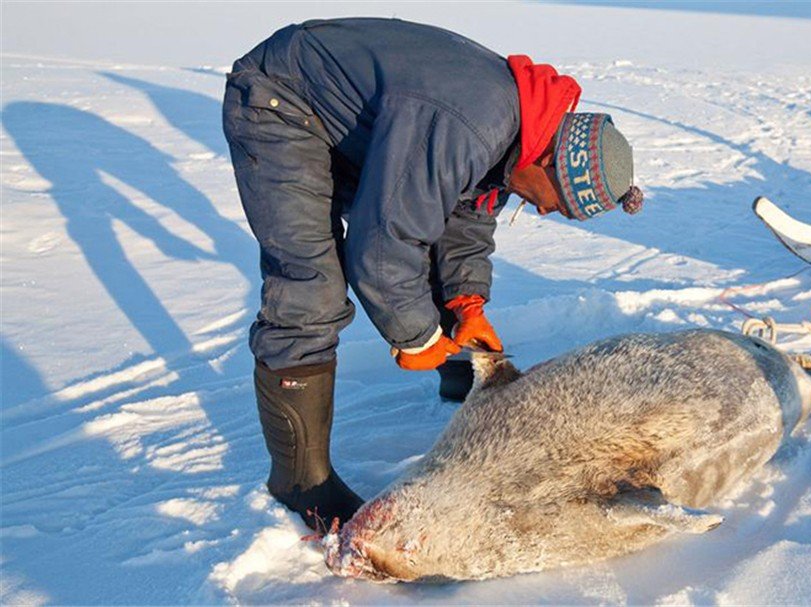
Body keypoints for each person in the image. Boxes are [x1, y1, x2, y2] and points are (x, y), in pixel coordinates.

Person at [222, 18, 643, 531]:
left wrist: (467, 303)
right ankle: (300, 481)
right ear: (552, 161)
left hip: (348, 120)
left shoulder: (521, 130)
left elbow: (464, 215)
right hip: (283, 102)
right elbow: (382, 244)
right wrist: (414, 336)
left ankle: (457, 379)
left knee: (419, 234)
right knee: (312, 284)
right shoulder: (470, 124)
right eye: (557, 203)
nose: (546, 211)